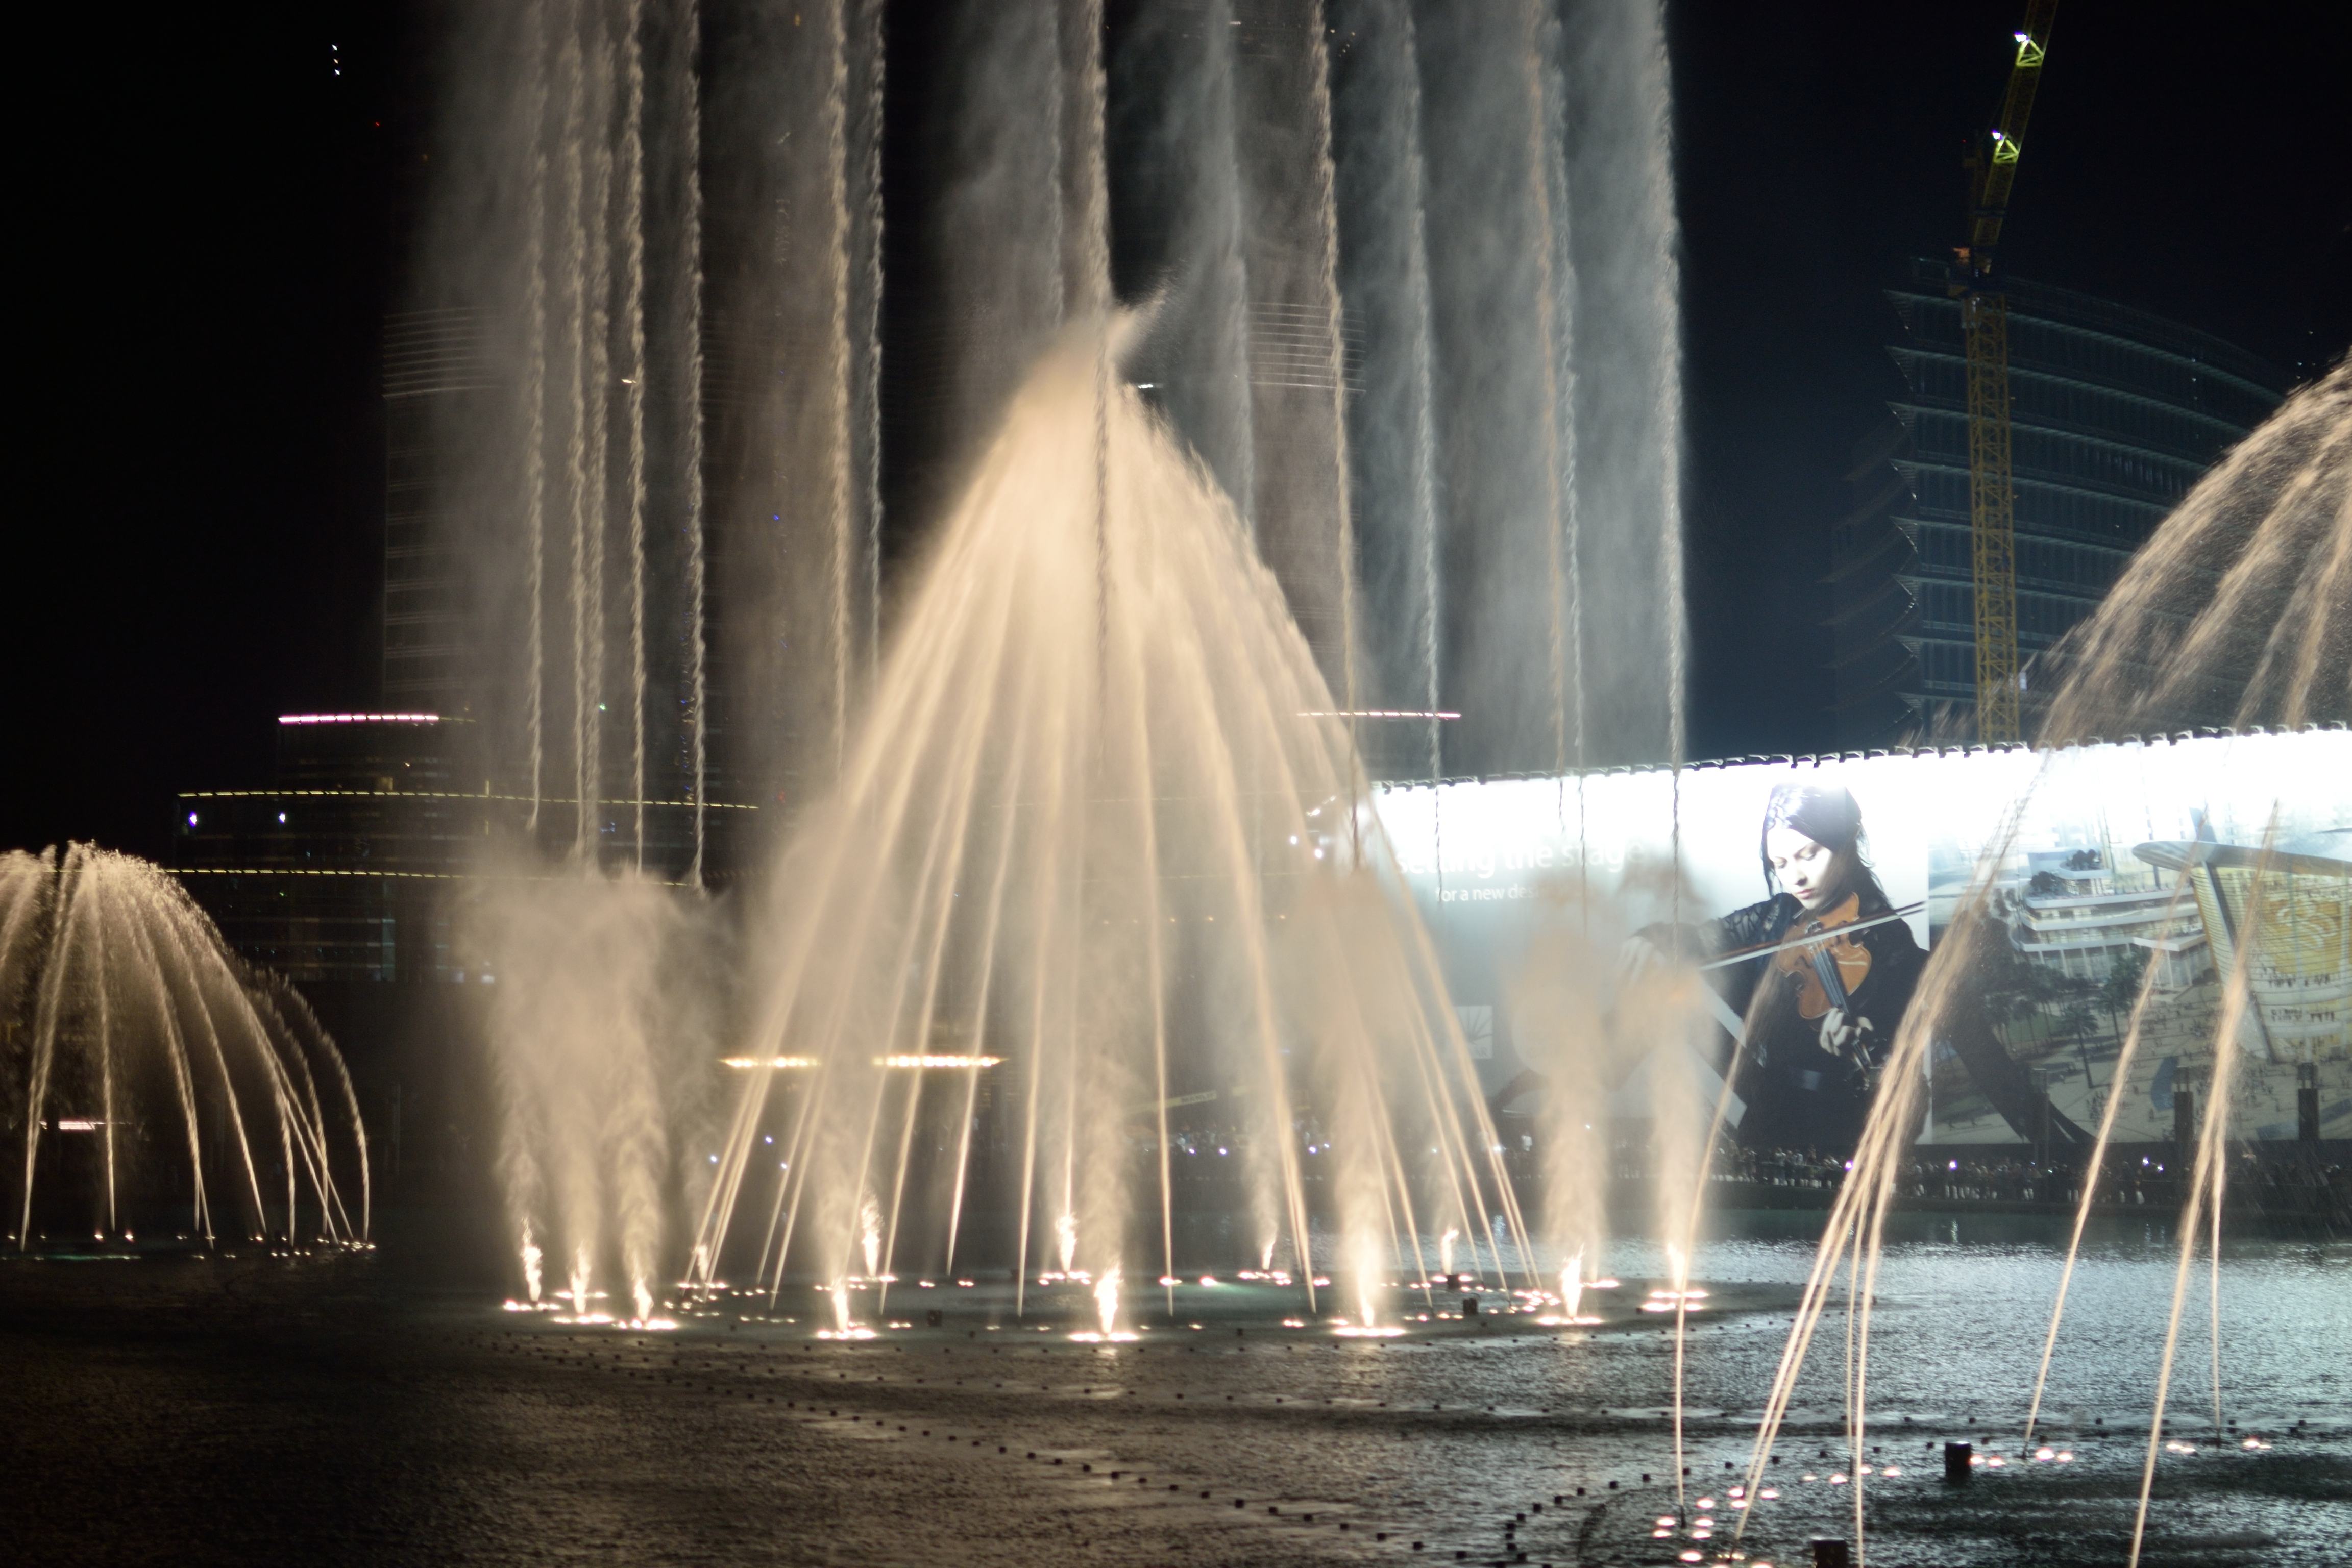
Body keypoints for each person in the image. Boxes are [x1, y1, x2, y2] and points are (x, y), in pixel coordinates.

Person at [1628, 780, 1925, 1156]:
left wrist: (1869, 1032)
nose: (1796, 878)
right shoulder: (1777, 917)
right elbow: (1704, 939)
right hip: (1768, 1113)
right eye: (1780, 864)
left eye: (1809, 854)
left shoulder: (1888, 939)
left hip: (1845, 1126)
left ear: (1843, 843)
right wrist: (1652, 937)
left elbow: (1900, 1030)